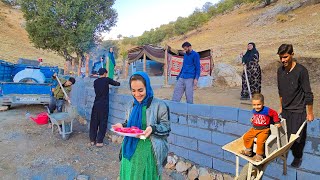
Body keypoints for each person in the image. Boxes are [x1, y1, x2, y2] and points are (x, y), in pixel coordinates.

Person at [112, 72, 170, 180]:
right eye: (133, 91)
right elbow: (129, 124)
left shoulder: (159, 105)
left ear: (147, 87)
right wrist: (122, 125)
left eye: (140, 90)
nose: (137, 94)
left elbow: (166, 127)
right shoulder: (131, 105)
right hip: (129, 148)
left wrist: (152, 128)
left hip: (149, 149)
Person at [277, 44, 314, 168]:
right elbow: (280, 91)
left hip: (298, 110)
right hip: (286, 109)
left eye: (285, 57)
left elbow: (308, 93)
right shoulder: (280, 70)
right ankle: (284, 154)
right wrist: (281, 106)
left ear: (292, 54)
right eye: (281, 57)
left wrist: (309, 112)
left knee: (297, 138)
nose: (283, 60)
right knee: (284, 135)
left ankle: (298, 158)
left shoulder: (301, 71)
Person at [241, 93, 281, 162]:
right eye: (254, 105)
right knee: (246, 137)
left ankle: (259, 155)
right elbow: (256, 115)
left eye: (258, 104)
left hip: (264, 129)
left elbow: (274, 113)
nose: (256, 107)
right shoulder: (254, 110)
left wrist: (277, 122)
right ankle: (248, 150)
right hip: (255, 128)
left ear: (263, 103)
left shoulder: (266, 110)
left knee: (260, 141)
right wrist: (253, 118)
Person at [90, 68, 120, 147]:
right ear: (105, 73)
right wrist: (116, 79)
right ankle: (99, 141)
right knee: (102, 122)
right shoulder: (107, 80)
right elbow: (117, 84)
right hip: (104, 104)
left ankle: (92, 140)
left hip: (96, 103)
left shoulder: (95, 81)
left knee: (94, 122)